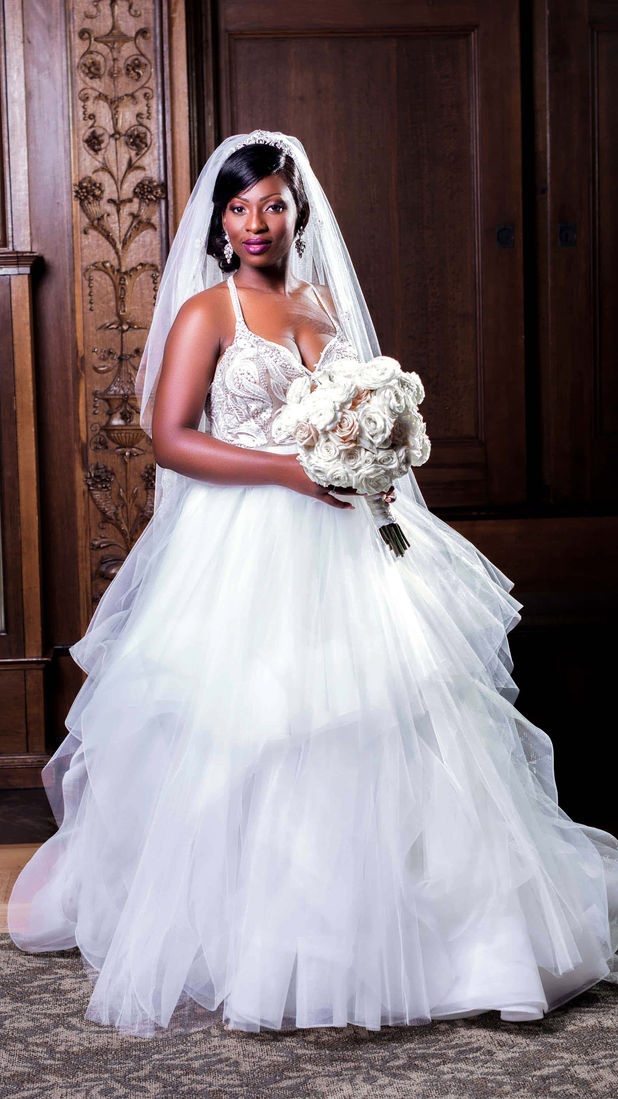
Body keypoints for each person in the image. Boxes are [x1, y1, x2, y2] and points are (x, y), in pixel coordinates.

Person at [8, 130, 618, 1039]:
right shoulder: (209, 314)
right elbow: (173, 436)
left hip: (350, 534)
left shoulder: (323, 301)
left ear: (299, 212)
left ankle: (431, 932)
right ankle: (264, 937)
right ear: (220, 222)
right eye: (241, 207)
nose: (258, 222)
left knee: (394, 713)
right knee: (263, 722)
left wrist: (369, 452)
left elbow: (358, 409)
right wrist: (290, 471)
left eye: (275, 205)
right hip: (248, 543)